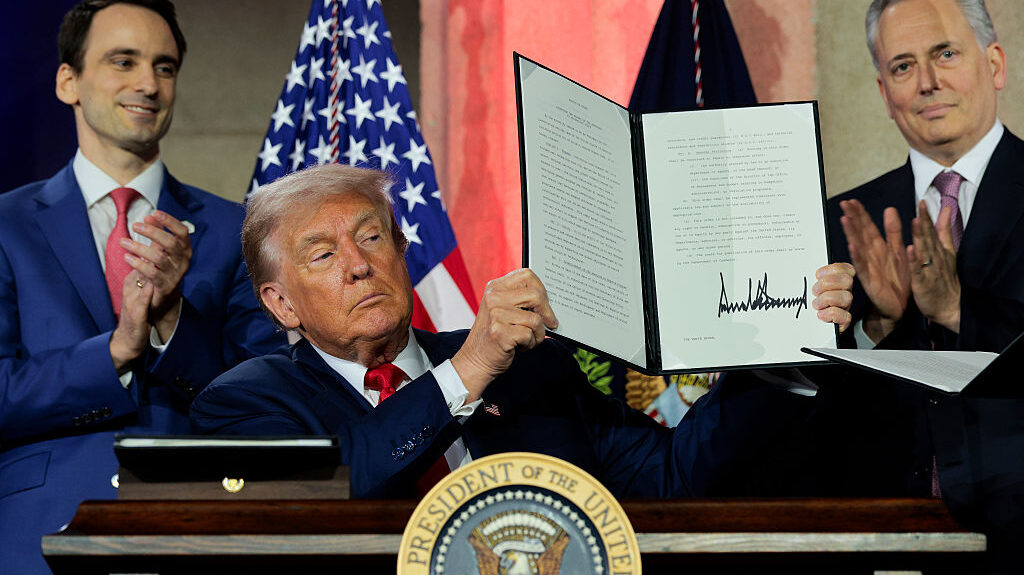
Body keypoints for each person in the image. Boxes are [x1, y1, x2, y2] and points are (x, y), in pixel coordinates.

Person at [191, 163, 854, 500]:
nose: (359, 264)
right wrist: (469, 368)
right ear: (281, 303)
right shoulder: (242, 402)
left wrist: (782, 344)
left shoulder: (532, 368)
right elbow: (340, 485)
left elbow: (674, 475)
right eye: (323, 254)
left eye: (371, 238)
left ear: (401, 251)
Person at [0, 2, 284, 573]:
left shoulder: (237, 229)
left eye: (164, 67)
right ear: (68, 81)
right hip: (40, 537)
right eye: (123, 61)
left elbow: (267, 401)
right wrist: (115, 351)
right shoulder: (7, 225)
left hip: (197, 535)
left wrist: (172, 320)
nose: (148, 85)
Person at [823, 0, 1023, 569]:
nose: (928, 82)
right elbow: (813, 415)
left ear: (994, 65)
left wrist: (957, 309)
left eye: (946, 54)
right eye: (903, 66)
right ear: (885, 94)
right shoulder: (840, 221)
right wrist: (877, 327)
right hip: (880, 539)